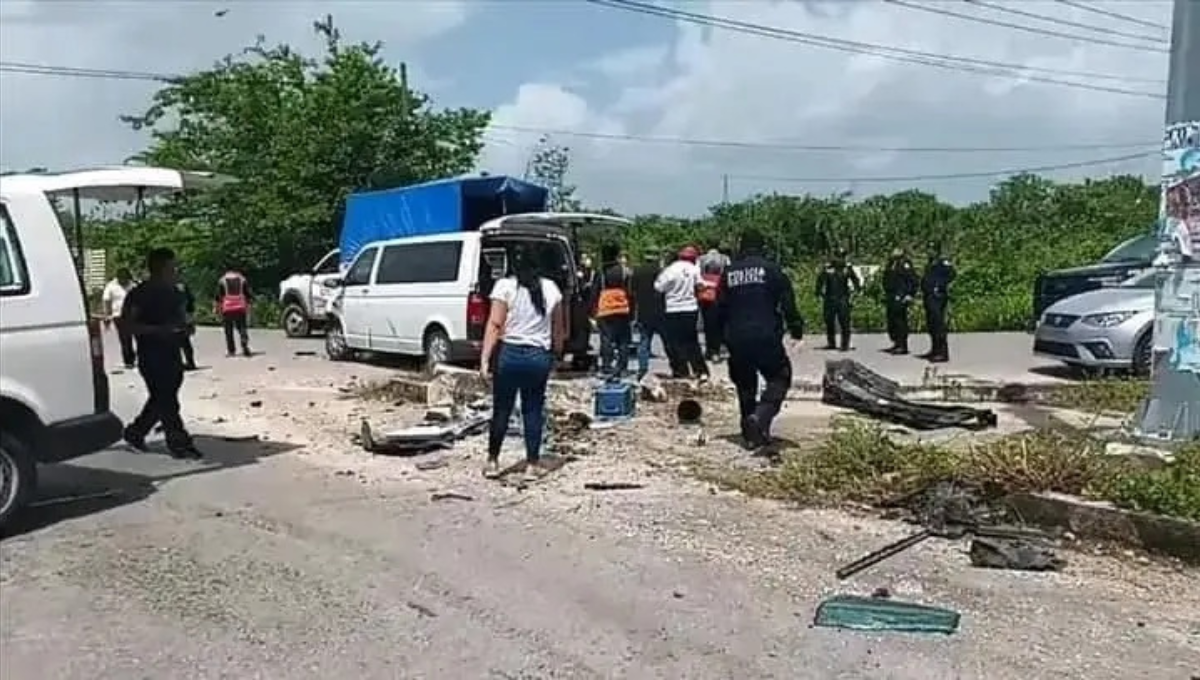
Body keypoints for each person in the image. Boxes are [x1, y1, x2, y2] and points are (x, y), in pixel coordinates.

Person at [479, 247, 566, 481]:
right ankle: (532, 464)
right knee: (533, 410)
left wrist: (485, 359)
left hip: (509, 355)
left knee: (502, 410)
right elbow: (558, 329)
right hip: (538, 357)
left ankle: (493, 461)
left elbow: (495, 324)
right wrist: (556, 355)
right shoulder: (551, 289)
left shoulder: (505, 286)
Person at [714, 229, 805, 449]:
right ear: (762, 247)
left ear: (741, 247)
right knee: (779, 376)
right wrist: (796, 330)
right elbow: (788, 304)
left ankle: (750, 434)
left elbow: (717, 310)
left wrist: (715, 343)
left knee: (745, 385)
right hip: (766, 336)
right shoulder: (773, 270)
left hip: (736, 337)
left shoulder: (729, 273)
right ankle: (761, 417)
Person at [120, 247, 200, 459]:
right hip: (151, 354)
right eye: (173, 267)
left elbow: (183, 319)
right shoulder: (139, 294)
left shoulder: (176, 293)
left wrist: (186, 327)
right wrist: (156, 331)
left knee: (162, 397)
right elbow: (127, 325)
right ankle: (178, 441)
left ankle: (136, 431)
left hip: (173, 352)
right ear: (161, 268)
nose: (176, 271)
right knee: (167, 399)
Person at [654, 245, 711, 380]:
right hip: (690, 308)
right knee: (691, 341)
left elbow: (659, 287)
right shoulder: (694, 269)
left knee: (675, 342)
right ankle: (701, 371)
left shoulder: (671, 270)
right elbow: (700, 285)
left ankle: (681, 371)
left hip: (673, 309)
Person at [591, 244, 634, 378]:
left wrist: (592, 310)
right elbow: (630, 293)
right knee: (623, 340)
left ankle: (607, 367)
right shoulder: (624, 271)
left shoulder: (601, 272)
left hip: (605, 310)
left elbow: (594, 292)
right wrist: (632, 311)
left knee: (606, 339)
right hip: (622, 309)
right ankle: (622, 367)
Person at [815, 248, 860, 351]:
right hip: (829, 298)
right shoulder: (828, 269)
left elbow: (856, 281)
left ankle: (845, 345)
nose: (840, 259)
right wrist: (819, 293)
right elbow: (819, 282)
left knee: (845, 323)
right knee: (829, 322)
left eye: (842, 256)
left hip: (843, 299)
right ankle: (831, 343)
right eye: (838, 256)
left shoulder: (847, 269)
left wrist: (855, 294)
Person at [630, 253, 665, 380]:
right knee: (667, 341)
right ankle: (677, 366)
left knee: (644, 341)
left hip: (643, 310)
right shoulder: (661, 272)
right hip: (660, 310)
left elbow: (632, 291)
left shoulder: (637, 271)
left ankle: (642, 369)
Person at [920, 243, 956, 363]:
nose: (929, 251)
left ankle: (942, 353)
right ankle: (934, 350)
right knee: (932, 325)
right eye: (928, 249)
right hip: (929, 296)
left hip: (938, 297)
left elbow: (951, 274)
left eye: (931, 249)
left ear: (936, 251)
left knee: (938, 324)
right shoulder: (930, 263)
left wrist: (939, 285)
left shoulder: (943, 262)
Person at [881, 247, 919, 355]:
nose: (893, 252)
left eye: (896, 250)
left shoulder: (905, 264)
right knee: (892, 321)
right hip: (891, 296)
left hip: (901, 296)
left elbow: (913, 280)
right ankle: (896, 343)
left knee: (900, 321)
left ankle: (903, 345)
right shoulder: (891, 263)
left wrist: (909, 294)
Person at [697, 242, 726, 361]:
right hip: (719, 293)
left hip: (705, 295)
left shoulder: (701, 259)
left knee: (707, 324)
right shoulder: (724, 259)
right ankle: (716, 351)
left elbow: (698, 275)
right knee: (718, 324)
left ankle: (709, 350)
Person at [214, 268, 253, 357]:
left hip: (227, 308)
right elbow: (248, 295)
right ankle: (244, 343)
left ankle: (231, 350)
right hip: (240, 307)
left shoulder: (222, 280)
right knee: (242, 327)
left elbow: (218, 296)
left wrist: (216, 309)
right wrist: (249, 306)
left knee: (228, 331)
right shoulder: (242, 279)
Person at [102, 268, 136, 368]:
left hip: (133, 315)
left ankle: (141, 357)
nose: (124, 280)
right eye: (123, 278)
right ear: (118, 277)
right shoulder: (111, 286)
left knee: (139, 337)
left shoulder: (132, 285)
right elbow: (106, 300)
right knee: (125, 339)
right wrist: (107, 315)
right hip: (118, 315)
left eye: (126, 278)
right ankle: (129, 360)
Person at [176, 277, 198, 370]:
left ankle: (177, 364)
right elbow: (191, 301)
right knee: (185, 341)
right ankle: (190, 362)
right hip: (185, 315)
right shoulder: (182, 286)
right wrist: (191, 318)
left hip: (173, 317)